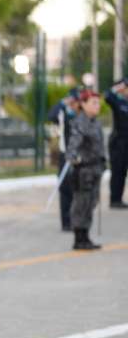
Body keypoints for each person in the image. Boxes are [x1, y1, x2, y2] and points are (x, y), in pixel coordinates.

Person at [67, 89, 106, 250]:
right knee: (81, 203)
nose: (97, 106)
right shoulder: (79, 123)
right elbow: (73, 146)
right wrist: (73, 158)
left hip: (95, 168)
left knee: (91, 202)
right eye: (93, 103)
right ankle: (79, 237)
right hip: (83, 171)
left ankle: (85, 235)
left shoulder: (95, 122)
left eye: (98, 103)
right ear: (83, 104)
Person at [47, 88, 81, 231]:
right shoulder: (63, 113)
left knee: (77, 190)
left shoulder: (81, 114)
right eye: (73, 101)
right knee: (66, 190)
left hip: (79, 156)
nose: (75, 104)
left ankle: (76, 219)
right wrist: (63, 102)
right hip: (65, 155)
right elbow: (51, 116)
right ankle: (66, 222)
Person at [104, 80, 128, 209]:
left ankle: (119, 199)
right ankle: (114, 199)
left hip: (126, 142)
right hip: (118, 142)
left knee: (123, 172)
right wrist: (117, 87)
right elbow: (107, 96)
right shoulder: (117, 101)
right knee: (117, 171)